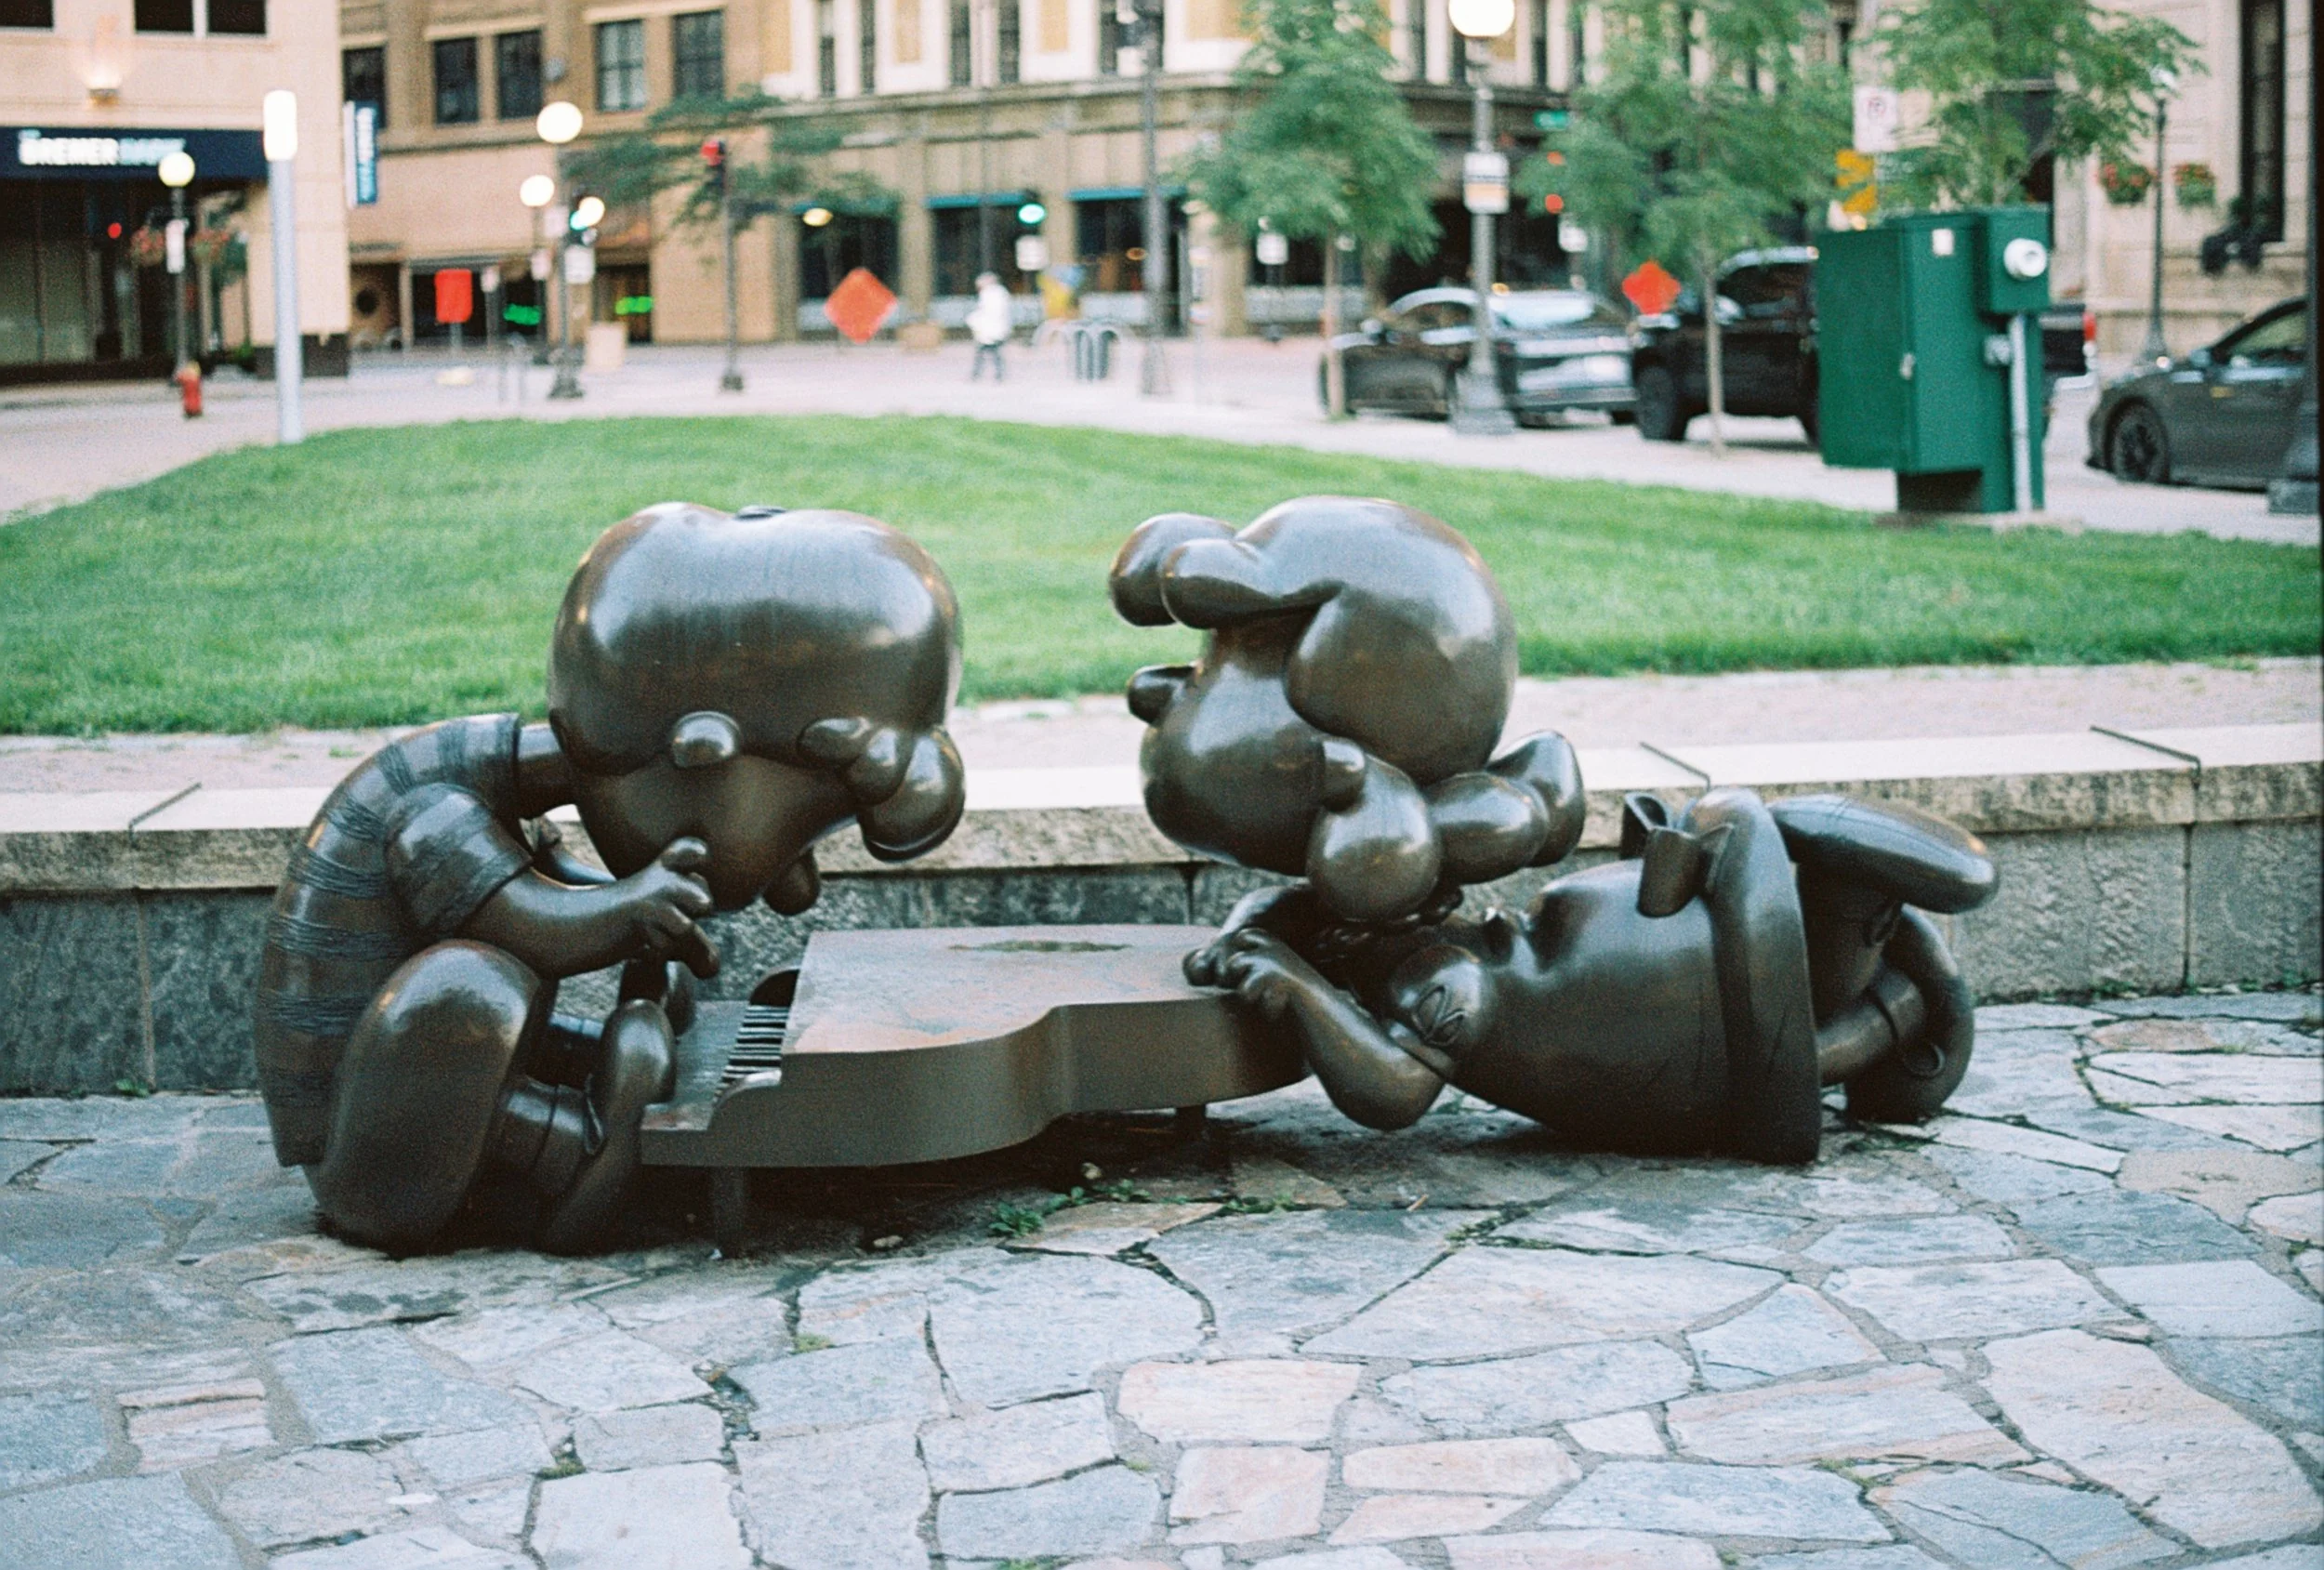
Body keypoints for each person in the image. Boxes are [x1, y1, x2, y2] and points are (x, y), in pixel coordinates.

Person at [1111, 496, 1999, 1164]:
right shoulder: (1446, 963)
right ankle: (1839, 906)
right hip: (1710, 985)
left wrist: (1290, 979)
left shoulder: (1451, 981)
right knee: (1748, 838)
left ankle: (1839, 898)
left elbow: (1393, 1089)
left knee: (1758, 842)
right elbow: (1346, 991)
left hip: (1717, 992)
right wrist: (1274, 952)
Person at [253, 502, 967, 1254]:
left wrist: (630, 915)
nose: (796, 883)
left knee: (502, 995)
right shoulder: (433, 809)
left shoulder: (485, 788)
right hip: (367, 1160)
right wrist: (631, 908)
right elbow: (524, 920)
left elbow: (538, 883)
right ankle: (571, 1148)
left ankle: (588, 1072)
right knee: (470, 990)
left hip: (400, 1107)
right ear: (696, 746)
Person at [967, 271, 1012, 380]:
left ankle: (978, 374)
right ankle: (996, 374)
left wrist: (973, 320)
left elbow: (985, 312)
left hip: (989, 330)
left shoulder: (989, 294)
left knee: (985, 352)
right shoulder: (1000, 293)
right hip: (994, 329)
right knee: (992, 353)